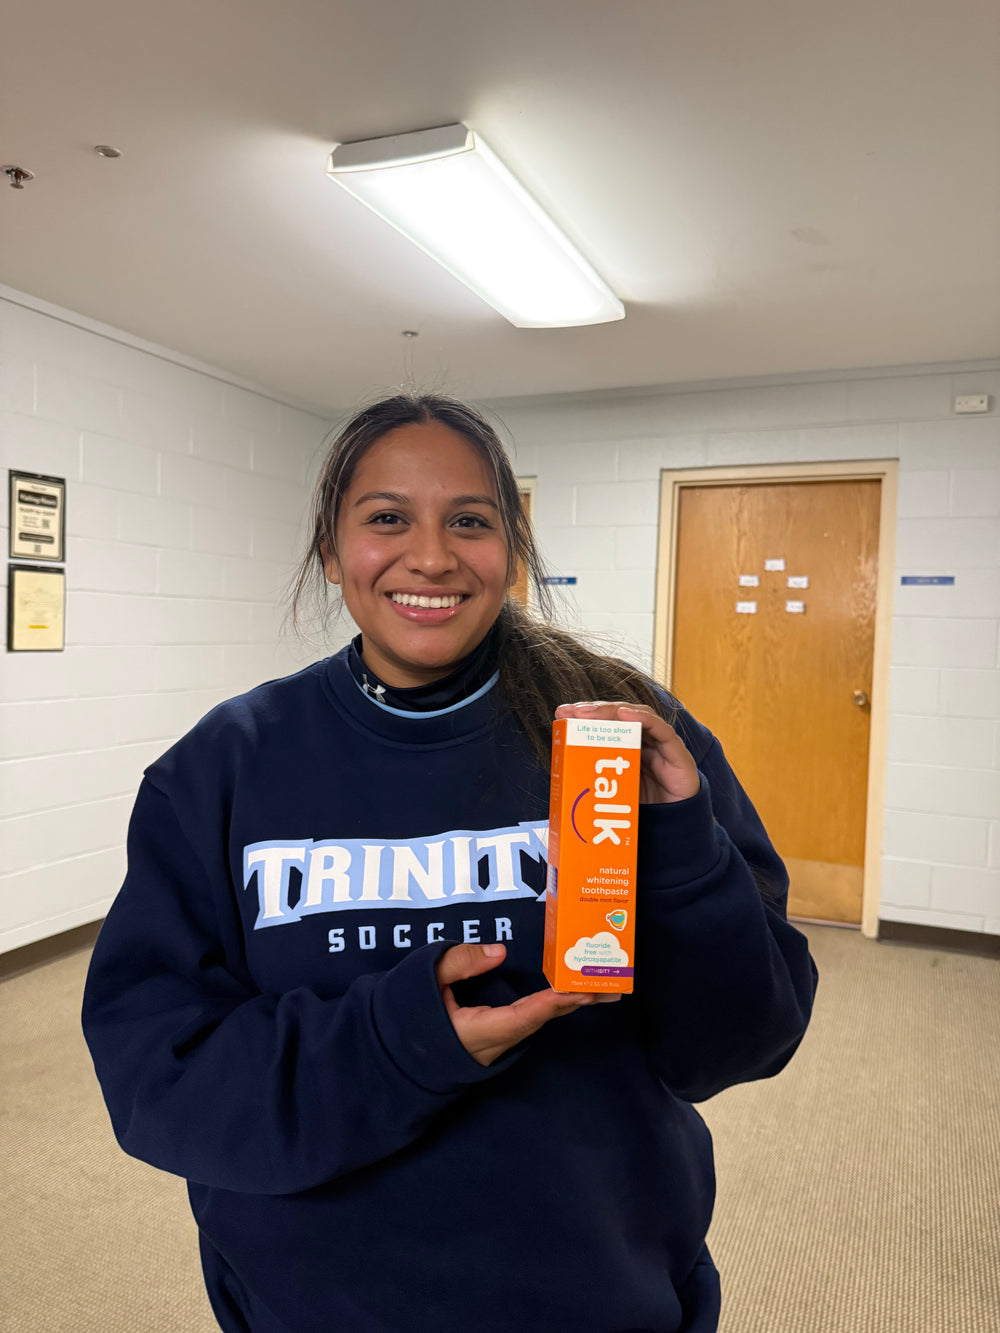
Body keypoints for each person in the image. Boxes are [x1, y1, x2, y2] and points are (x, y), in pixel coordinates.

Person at [82, 393, 818, 1333]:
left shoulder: (622, 735)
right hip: (317, 1305)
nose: (431, 556)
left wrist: (682, 851)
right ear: (330, 550)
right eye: (388, 518)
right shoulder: (221, 769)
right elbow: (158, 1080)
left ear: (512, 548)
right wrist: (401, 1043)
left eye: (469, 521)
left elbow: (745, 1042)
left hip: (597, 1294)